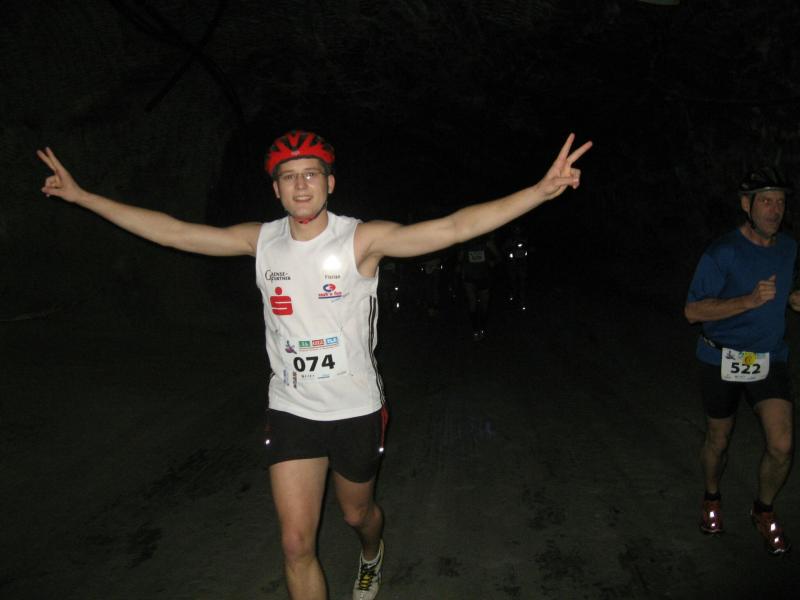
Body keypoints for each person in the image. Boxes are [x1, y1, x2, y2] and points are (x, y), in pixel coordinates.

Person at [37, 130, 591, 599]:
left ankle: (372, 549)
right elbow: (174, 231)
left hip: (354, 408)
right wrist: (83, 197)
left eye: (311, 174)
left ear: (330, 183)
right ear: (275, 188)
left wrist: (539, 192)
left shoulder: (361, 240)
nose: (300, 185)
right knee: (295, 542)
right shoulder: (261, 241)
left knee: (356, 515)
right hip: (292, 408)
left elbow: (451, 228)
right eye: (288, 176)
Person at [684, 166, 800, 555]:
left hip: (768, 356)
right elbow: (692, 312)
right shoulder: (722, 252)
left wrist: (793, 298)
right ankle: (711, 496)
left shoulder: (789, 248)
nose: (775, 210)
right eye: (766, 201)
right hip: (720, 357)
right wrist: (747, 301)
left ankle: (763, 510)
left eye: (780, 202)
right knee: (718, 440)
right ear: (746, 205)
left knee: (782, 445)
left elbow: (786, 289)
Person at [458, 233, 499, 340]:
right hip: (470, 277)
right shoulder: (465, 243)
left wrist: (493, 262)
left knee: (484, 305)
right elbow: (460, 260)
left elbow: (498, 256)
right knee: (473, 303)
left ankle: (482, 327)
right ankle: (475, 329)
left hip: (484, 276)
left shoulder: (487, 243)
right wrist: (460, 268)